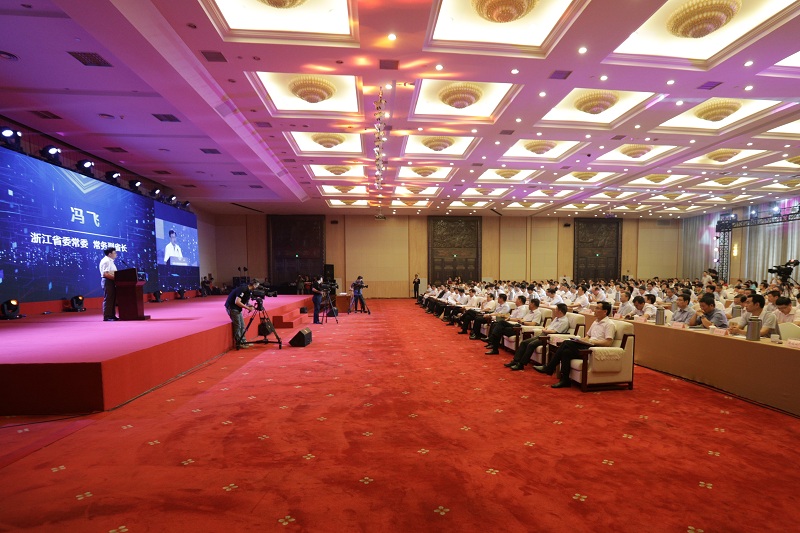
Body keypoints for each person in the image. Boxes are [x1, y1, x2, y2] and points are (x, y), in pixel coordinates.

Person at [534, 301, 616, 389]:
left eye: (597, 308)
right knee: (566, 352)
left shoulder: (609, 324)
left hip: (595, 349)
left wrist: (592, 341)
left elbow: (608, 343)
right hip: (588, 345)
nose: (594, 310)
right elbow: (588, 336)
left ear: (605, 311)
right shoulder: (595, 322)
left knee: (566, 343)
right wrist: (583, 340)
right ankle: (565, 380)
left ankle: (549, 367)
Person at [506, 303, 571, 370]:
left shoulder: (564, 321)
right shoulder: (557, 318)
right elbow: (549, 326)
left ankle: (521, 364)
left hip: (548, 338)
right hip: (543, 334)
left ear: (560, 311)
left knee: (531, 344)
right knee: (524, 342)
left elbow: (555, 332)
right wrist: (545, 329)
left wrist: (545, 330)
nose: (554, 310)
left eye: (556, 309)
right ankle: (515, 361)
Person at [224, 279, 259, 348]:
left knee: (242, 325)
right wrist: (247, 308)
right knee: (238, 325)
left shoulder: (249, 291)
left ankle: (243, 341)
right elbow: (237, 302)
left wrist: (249, 305)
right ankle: (239, 342)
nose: (257, 287)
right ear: (254, 285)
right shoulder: (243, 289)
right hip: (232, 307)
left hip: (237, 308)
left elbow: (245, 301)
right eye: (257, 286)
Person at [99, 247, 118, 321]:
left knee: (112, 299)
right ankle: (107, 316)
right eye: (114, 253)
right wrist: (117, 279)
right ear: (110, 254)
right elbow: (105, 274)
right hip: (108, 281)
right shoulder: (106, 261)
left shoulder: (110, 261)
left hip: (111, 281)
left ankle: (112, 315)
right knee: (109, 298)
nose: (116, 254)